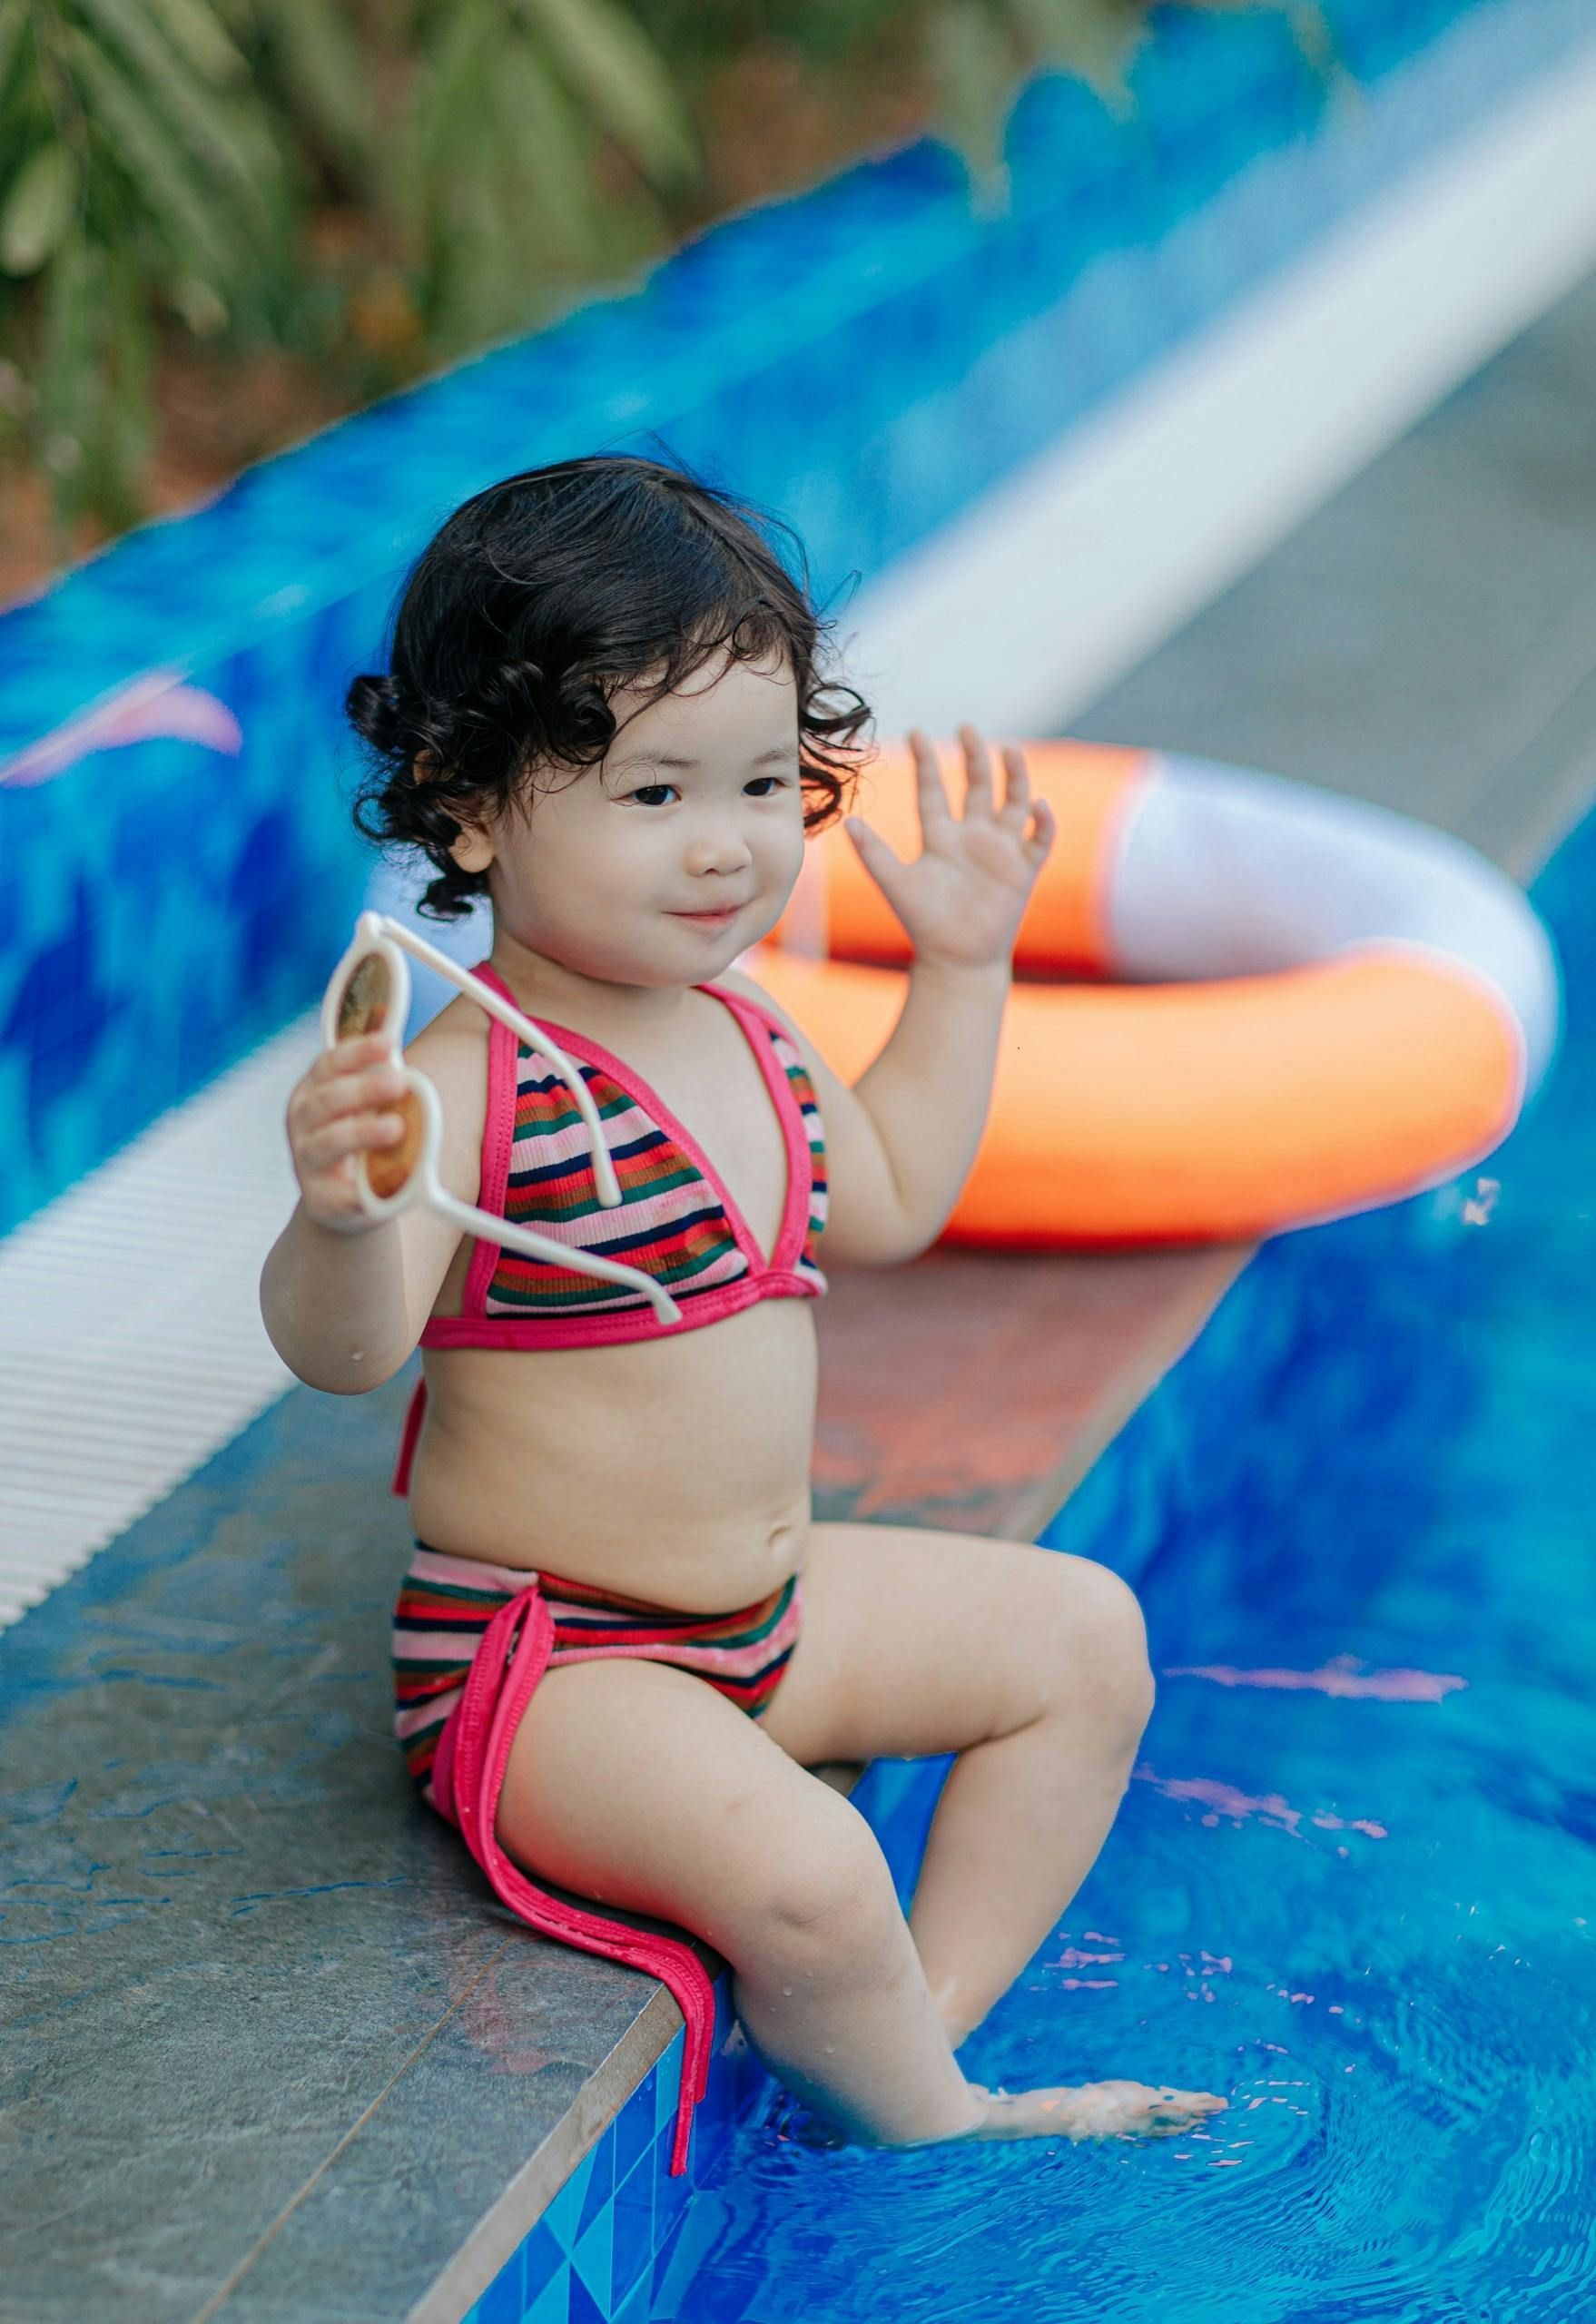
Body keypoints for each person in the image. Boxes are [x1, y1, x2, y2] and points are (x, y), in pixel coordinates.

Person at [260, 452, 1224, 2170]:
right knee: (808, 1873)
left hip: (761, 1621)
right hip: (555, 1661)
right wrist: (344, 1213)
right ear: (469, 807)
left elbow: (904, 1201)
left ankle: (916, 2033)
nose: (727, 847)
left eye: (765, 780)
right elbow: (349, 1354)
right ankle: (939, 2127)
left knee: (1083, 1640)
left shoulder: (752, 1031)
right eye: (651, 794)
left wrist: (965, 966)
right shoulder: (475, 1080)